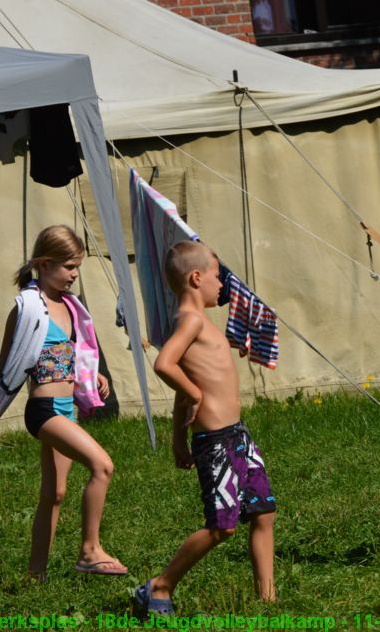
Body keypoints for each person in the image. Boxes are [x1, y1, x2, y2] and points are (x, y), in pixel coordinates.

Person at [0, 225, 126, 581]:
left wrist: (94, 376)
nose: (74, 274)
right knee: (102, 466)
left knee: (54, 493)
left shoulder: (69, 306)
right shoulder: (28, 309)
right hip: (43, 412)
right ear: (43, 263)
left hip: (67, 409)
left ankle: (34, 574)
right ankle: (90, 550)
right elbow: (5, 361)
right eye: (68, 266)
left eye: (77, 267)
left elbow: (72, 354)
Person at [134, 241, 276, 615]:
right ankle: (159, 587)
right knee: (222, 528)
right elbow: (165, 365)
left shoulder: (200, 322)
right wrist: (196, 394)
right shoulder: (192, 321)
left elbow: (184, 383)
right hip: (215, 443)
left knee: (263, 512)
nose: (222, 284)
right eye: (217, 276)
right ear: (196, 278)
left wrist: (176, 437)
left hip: (237, 436)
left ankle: (268, 598)